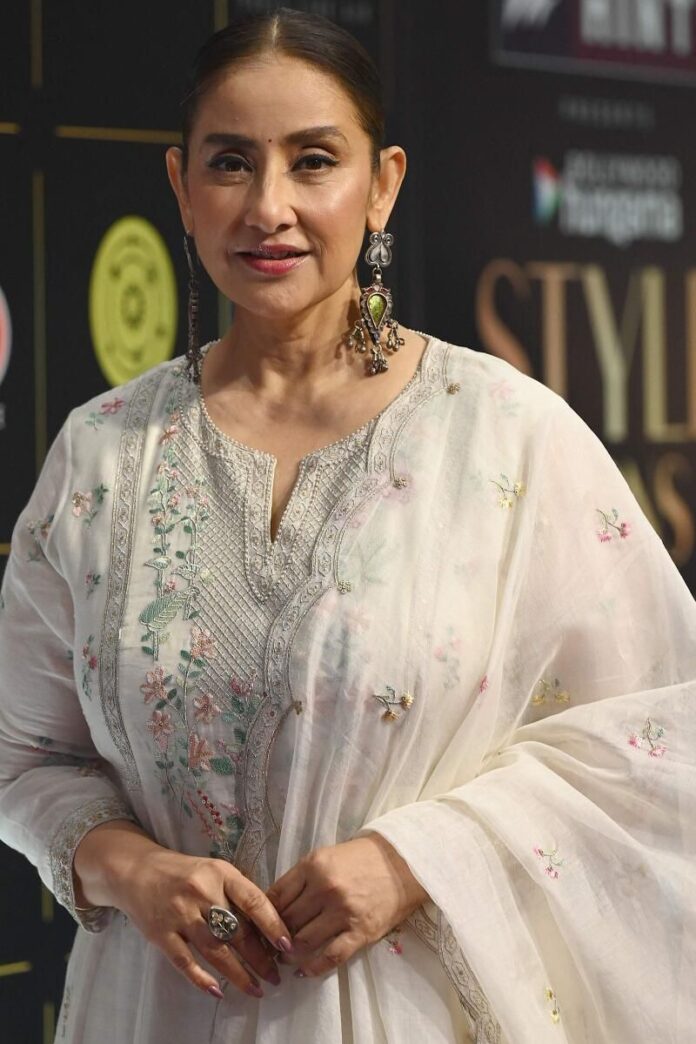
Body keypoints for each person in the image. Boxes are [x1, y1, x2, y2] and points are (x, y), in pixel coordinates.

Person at [1, 8, 694, 1043]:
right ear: (181, 187)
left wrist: (416, 863)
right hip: (157, 1009)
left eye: (314, 160)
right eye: (231, 163)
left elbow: (664, 740)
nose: (268, 207)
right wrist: (129, 869)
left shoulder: (506, 437)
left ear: (382, 185)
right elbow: (21, 755)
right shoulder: (102, 454)